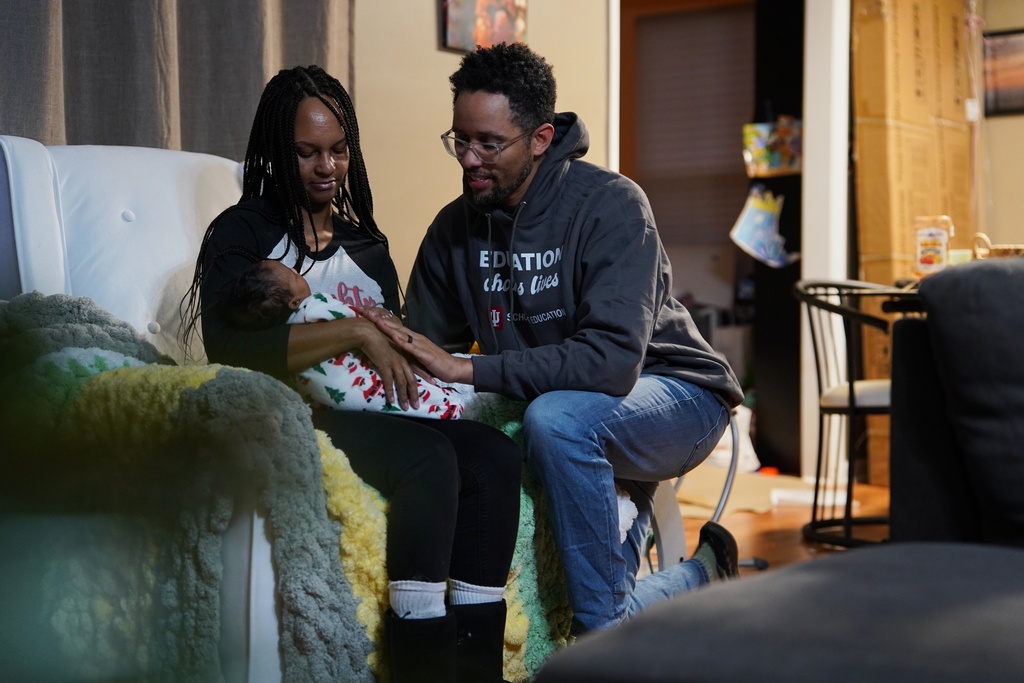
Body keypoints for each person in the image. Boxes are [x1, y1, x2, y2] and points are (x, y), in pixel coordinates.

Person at [362, 43, 746, 638]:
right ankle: (699, 576)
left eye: (489, 143)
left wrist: (468, 369)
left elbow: (613, 362)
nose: (469, 159)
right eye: (459, 140)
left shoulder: (612, 206)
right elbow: (423, 351)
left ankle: (599, 647)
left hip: (678, 394)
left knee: (556, 419)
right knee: (551, 426)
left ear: (540, 138)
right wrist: (351, 326)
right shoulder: (454, 228)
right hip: (580, 404)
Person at [179, 65, 520, 683]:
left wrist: (401, 341)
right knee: (429, 459)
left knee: (493, 455)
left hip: (379, 408)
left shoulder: (367, 247)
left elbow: (398, 333)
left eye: (338, 151)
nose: (326, 168)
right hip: (298, 416)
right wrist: (356, 331)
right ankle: (420, 660)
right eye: (306, 153)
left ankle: (476, 668)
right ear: (277, 154)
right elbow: (232, 347)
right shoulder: (242, 232)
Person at [220, 259, 467, 419]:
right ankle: (449, 404)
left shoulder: (290, 342)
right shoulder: (314, 306)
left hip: (332, 406)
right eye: (294, 275)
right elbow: (352, 316)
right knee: (403, 391)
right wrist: (370, 322)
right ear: (294, 302)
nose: (298, 272)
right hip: (361, 384)